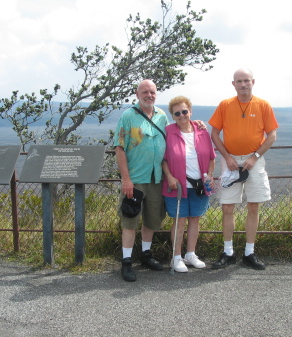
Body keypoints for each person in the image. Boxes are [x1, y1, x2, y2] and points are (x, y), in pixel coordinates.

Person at [114, 80, 207, 282]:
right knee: (130, 220)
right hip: (136, 179)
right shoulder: (128, 116)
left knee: (152, 219)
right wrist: (126, 179)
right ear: (137, 94)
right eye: (145, 92)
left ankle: (146, 255)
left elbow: (177, 130)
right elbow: (119, 148)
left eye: (152, 92)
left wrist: (197, 123)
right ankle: (127, 262)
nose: (149, 95)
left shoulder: (162, 115)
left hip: (157, 178)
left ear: (156, 94)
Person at [208, 68, 279, 270]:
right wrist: (227, 157)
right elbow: (214, 134)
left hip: (253, 162)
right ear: (233, 84)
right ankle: (228, 252)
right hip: (230, 162)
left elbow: (272, 135)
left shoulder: (263, 105)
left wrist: (254, 157)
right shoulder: (225, 105)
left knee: (254, 206)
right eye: (239, 81)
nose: (243, 84)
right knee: (227, 207)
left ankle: (249, 252)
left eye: (246, 80)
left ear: (253, 82)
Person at [162, 96, 216, 273]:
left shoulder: (202, 131)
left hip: (199, 185)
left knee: (195, 219)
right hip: (177, 186)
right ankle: (176, 257)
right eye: (177, 113)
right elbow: (162, 159)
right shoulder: (168, 131)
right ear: (173, 115)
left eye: (184, 111)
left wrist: (210, 176)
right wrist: (169, 176)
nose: (182, 115)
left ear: (190, 111)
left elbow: (211, 158)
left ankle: (190, 254)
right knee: (179, 221)